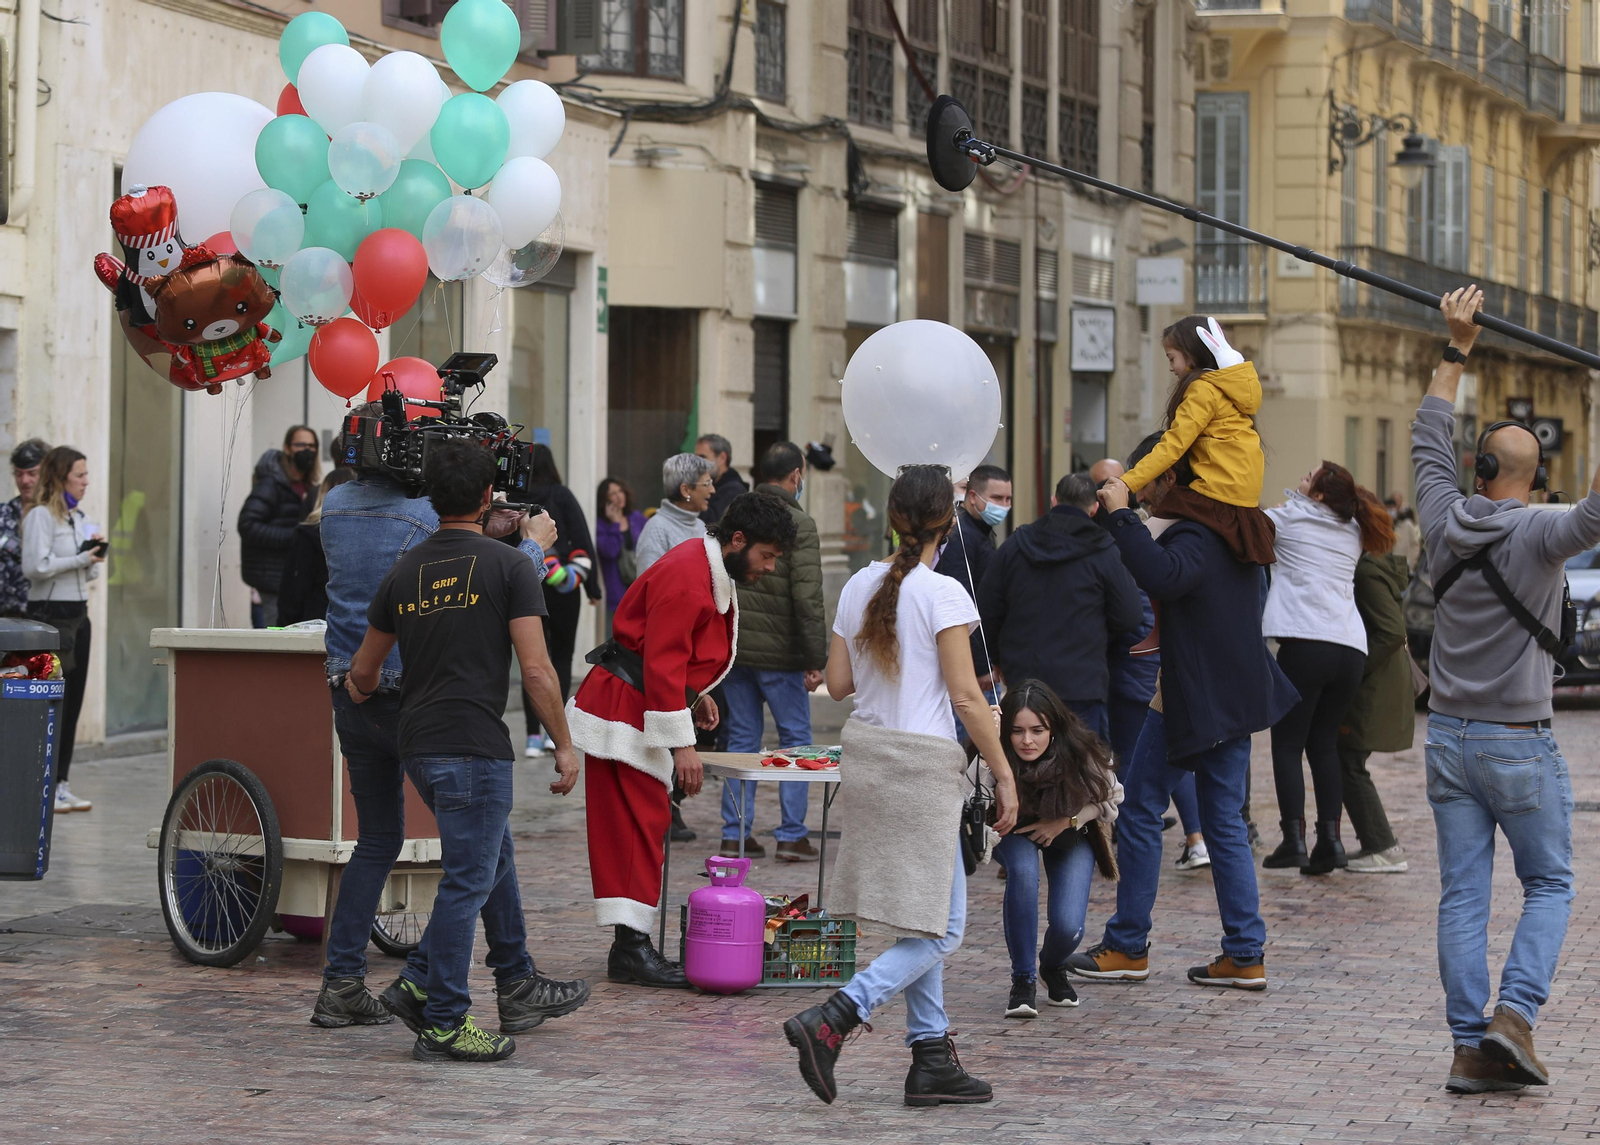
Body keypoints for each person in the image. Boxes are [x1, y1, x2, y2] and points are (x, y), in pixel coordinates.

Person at [311, 408, 583, 1047]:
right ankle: (451, 996)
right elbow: (475, 572)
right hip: (431, 706)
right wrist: (530, 544)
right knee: (477, 859)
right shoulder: (422, 523)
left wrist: (356, 684)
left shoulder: (337, 504)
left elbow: (445, 552)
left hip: (354, 689)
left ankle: (344, 982)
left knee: (384, 842)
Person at [783, 465, 1018, 1108]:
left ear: (892, 518)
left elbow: (838, 684)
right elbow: (967, 697)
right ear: (950, 521)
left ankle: (930, 1055)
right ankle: (835, 1015)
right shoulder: (943, 593)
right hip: (920, 768)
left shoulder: (859, 584)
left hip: (870, 760)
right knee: (943, 928)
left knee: (918, 920)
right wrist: (1003, 772)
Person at [1415, 286, 1600, 1095]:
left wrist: (1456, 347)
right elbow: (1596, 512)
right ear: (1536, 475)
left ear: (1479, 468)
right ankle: (1513, 1017)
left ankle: (1468, 1046)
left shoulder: (1442, 517)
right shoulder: (1543, 531)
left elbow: (1429, 432)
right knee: (1550, 882)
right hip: (1518, 741)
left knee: (1463, 895)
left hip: (1448, 736)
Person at [1070, 454, 1296, 989]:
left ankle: (1128, 944)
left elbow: (1163, 576)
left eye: (1147, 479)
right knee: (1224, 821)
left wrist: (1121, 516)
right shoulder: (1230, 525)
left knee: (1141, 808)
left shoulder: (1198, 532)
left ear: (1173, 477)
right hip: (1225, 692)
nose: (1139, 490)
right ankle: (1244, 952)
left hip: (1197, 693)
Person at [567, 492, 796, 988]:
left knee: (638, 825)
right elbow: (663, 659)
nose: (770, 567)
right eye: (767, 555)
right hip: (626, 706)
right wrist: (683, 744)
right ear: (738, 540)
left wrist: (696, 694)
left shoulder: (702, 566)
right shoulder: (691, 575)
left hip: (634, 701)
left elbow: (670, 654)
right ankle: (631, 949)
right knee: (636, 825)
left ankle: (631, 945)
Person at [1260, 462, 1395, 875]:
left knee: (1287, 744)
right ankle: (1331, 842)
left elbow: (1247, 529)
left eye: (1309, 476)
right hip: (1349, 648)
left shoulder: (1287, 520)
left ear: (1318, 494)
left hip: (1305, 642)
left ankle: (1293, 840)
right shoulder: (1354, 529)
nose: (1302, 476)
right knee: (1324, 746)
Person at [719, 444, 828, 860]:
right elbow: (808, 597)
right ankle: (791, 835)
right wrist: (815, 658)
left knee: (741, 739)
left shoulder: (737, 515)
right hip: (782, 654)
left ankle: (735, 834)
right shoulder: (801, 523)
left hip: (737, 649)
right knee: (795, 742)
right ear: (796, 475)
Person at [1098, 449, 1205, 869]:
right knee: (1175, 774)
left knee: (1140, 779)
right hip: (1157, 667)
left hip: (1147, 669)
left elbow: (1141, 599)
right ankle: (1196, 838)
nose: (1136, 491)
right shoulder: (1169, 534)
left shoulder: (1148, 537)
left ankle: (1189, 839)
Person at [977, 471, 1141, 743]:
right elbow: (1130, 615)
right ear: (1094, 508)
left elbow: (987, 608)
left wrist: (996, 658)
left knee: (1025, 756)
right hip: (1083, 681)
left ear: (1054, 500)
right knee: (1080, 762)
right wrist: (1098, 636)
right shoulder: (1104, 550)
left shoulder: (1016, 544)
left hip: (1024, 681)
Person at [993, 681, 1122, 1019]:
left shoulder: (1080, 750)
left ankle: (1052, 966)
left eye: (1037, 730)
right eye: (1017, 731)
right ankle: (1023, 979)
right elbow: (968, 794)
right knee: (1023, 875)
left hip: (1071, 831)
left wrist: (1067, 820)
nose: (1027, 740)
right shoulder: (994, 748)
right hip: (1015, 828)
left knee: (1068, 926)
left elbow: (1112, 798)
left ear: (1054, 729)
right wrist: (986, 741)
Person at [1117, 317, 1276, 568]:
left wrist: (1127, 483)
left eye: (1171, 358)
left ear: (1191, 354)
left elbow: (1173, 445)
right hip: (1244, 497)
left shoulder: (1203, 389)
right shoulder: (1232, 392)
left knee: (1150, 534)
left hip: (1216, 491)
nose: (1171, 368)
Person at [24, 444, 105, 813]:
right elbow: (36, 567)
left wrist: (93, 556)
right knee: (51, 701)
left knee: (73, 702)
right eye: (79, 475)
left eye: (87, 474)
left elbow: (88, 574)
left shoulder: (81, 517)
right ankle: (41, 780)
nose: (86, 482)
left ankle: (61, 782)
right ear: (60, 478)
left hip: (78, 616)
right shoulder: (41, 516)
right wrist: (79, 557)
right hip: (50, 616)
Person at [519, 445, 602, 759]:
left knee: (531, 660)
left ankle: (532, 736)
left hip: (528, 583)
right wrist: (592, 587)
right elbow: (582, 539)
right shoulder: (562, 495)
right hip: (565, 586)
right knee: (563, 657)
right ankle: (554, 733)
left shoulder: (517, 498)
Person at [1337, 541, 1413, 874]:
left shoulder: (1367, 571)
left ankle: (1382, 846)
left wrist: (1356, 668)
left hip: (1372, 684)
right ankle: (1377, 844)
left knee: (1348, 760)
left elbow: (1392, 631)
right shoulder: (1373, 565)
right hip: (1378, 680)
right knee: (1346, 759)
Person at [933, 463, 1011, 685]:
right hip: (970, 665)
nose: (1004, 506)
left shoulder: (981, 531)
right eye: (997, 498)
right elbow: (961, 603)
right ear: (974, 497)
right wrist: (981, 666)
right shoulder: (960, 535)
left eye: (1008, 499)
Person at [239, 425, 320, 628]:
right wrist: (294, 537)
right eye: (300, 445)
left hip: (291, 580)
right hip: (271, 580)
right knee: (274, 638)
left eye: (311, 446)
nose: (307, 450)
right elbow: (248, 525)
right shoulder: (271, 484)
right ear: (287, 448)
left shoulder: (308, 485)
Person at [276, 467, 356, 626]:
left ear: (323, 494)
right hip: (352, 621)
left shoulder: (307, 535)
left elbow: (293, 588)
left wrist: (284, 624)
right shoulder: (365, 534)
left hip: (312, 622)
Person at [635, 452, 714, 575]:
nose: (712, 490)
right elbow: (648, 581)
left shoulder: (700, 525)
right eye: (707, 484)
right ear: (685, 490)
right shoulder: (656, 529)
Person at [0, 439, 48, 618]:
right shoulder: (4, 514)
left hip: (43, 617)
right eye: (18, 474)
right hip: (4, 618)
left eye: (32, 474)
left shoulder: (56, 516)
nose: (24, 481)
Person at [595, 476, 646, 629]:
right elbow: (610, 551)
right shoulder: (600, 525)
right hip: (617, 594)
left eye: (620, 491)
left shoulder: (636, 518)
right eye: (613, 494)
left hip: (639, 588)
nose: (619, 496)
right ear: (605, 500)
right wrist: (615, 524)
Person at [695, 433, 749, 526]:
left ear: (722, 458)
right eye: (696, 458)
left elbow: (711, 522)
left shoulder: (733, 490)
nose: (698, 463)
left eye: (703, 457)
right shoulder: (715, 483)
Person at [1387, 493, 1422, 572]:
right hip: (1389, 567)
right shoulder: (1386, 526)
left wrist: (1410, 564)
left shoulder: (1407, 524)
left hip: (1403, 567)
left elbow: (1415, 546)